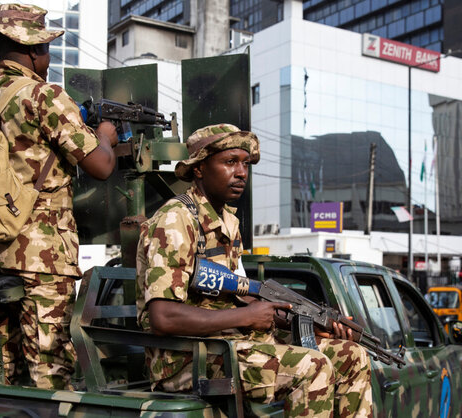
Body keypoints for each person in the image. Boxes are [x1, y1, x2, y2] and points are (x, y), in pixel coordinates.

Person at [136, 124, 373, 417]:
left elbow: (238, 295)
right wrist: (247, 316)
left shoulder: (227, 223)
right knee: (313, 367)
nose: (241, 172)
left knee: (353, 356)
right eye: (230, 162)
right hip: (186, 359)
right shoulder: (175, 221)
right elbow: (163, 317)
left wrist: (307, 320)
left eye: (245, 164)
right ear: (198, 169)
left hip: (232, 345)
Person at [0, 3, 118, 390]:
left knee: (1, 373)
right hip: (41, 258)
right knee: (51, 374)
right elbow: (101, 166)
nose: (48, 58)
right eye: (46, 49)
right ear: (34, 50)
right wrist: (105, 136)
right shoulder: (43, 95)